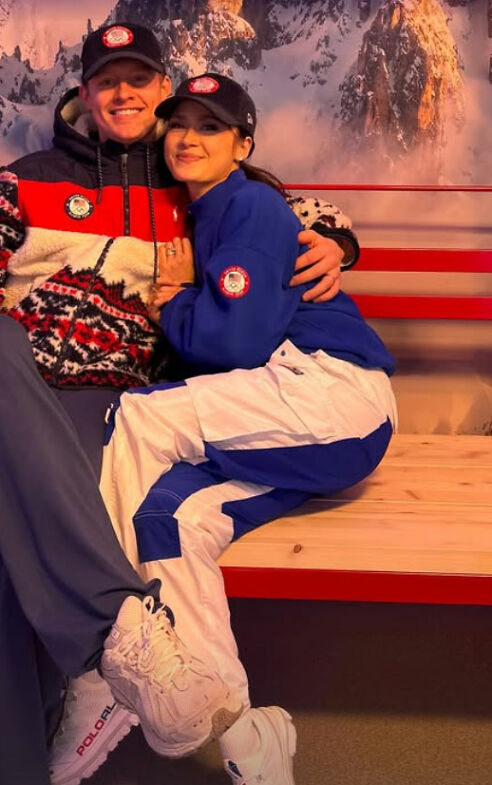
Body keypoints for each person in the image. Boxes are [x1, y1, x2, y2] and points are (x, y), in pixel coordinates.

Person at [0, 23, 361, 785]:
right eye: (106, 80)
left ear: (161, 90)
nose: (122, 92)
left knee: (31, 515)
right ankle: (121, 632)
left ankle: (11, 761)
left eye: (139, 79)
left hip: (103, 396)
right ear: (84, 94)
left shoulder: (188, 173)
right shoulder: (27, 176)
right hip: (0, 381)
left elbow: (285, 207)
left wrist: (335, 239)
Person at [81, 73, 397, 785]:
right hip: (287, 417)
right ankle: (245, 735)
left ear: (242, 145)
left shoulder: (246, 202)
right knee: (169, 520)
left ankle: (103, 652)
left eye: (210, 126)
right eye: (179, 124)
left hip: (327, 393)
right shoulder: (195, 206)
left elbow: (235, 342)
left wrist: (175, 299)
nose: (188, 137)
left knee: (135, 417)